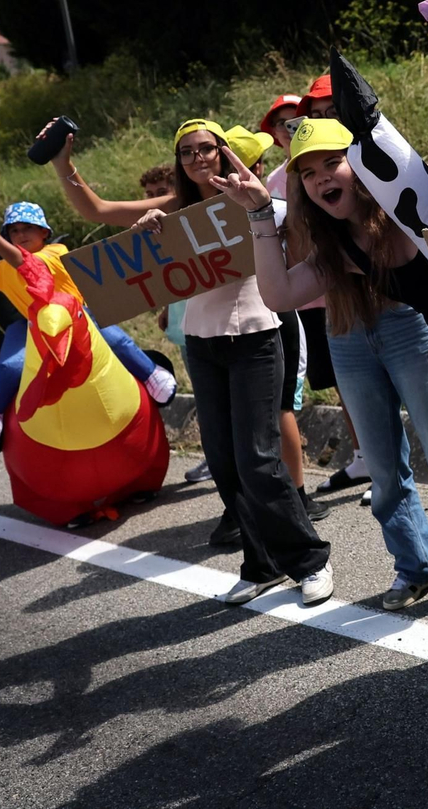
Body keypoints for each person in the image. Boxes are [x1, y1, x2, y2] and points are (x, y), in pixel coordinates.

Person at [43, 116, 333, 606]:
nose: (198, 158)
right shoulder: (174, 209)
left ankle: (310, 562)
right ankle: (260, 566)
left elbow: (303, 237)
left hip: (257, 338)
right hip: (202, 344)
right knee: (223, 462)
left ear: (222, 151)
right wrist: (63, 163)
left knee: (258, 460)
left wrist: (263, 204)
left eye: (206, 148)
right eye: (187, 152)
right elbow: (95, 208)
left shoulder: (253, 199)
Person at [213, 116, 428, 622]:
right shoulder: (327, 240)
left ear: (359, 164)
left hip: (411, 327)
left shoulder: (406, 202)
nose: (321, 179)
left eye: (331, 163)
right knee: (382, 467)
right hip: (347, 335)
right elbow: (278, 293)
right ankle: (413, 565)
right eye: (307, 173)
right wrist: (258, 214)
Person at [0, 201, 173, 446]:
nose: (21, 234)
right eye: (14, 230)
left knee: (117, 340)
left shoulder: (55, 253)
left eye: (27, 227)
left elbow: (26, 265)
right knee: (11, 366)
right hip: (33, 326)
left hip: (76, 318)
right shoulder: (0, 268)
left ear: (44, 232)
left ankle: (150, 373)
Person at [222, 122, 329, 525]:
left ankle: (298, 496)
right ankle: (254, 505)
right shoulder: (193, 218)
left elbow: (306, 260)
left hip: (276, 319)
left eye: (245, 165)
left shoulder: (280, 208)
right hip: (225, 330)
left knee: (283, 407)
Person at [286, 79, 371, 503]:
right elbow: (299, 255)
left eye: (331, 110)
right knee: (348, 386)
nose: (322, 121)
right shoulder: (308, 186)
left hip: (395, 307)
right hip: (332, 303)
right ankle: (367, 457)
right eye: (314, 115)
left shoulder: (379, 157)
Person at [139, 165, 212, 488]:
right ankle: (215, 456)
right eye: (150, 195)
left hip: (211, 320)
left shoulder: (191, 221)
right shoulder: (156, 230)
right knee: (204, 392)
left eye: (162, 193)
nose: (155, 200)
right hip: (184, 326)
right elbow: (171, 275)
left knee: (216, 393)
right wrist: (167, 308)